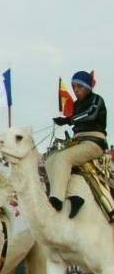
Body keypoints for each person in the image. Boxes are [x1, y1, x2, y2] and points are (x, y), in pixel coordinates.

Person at [49, 71, 107, 218]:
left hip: (93, 142)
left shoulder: (97, 100)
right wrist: (67, 119)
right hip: (77, 141)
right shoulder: (76, 105)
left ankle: (56, 200)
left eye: (79, 87)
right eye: (74, 87)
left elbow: (91, 113)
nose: (75, 90)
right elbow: (74, 118)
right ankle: (73, 196)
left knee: (63, 158)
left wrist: (68, 120)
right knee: (50, 159)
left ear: (88, 87)